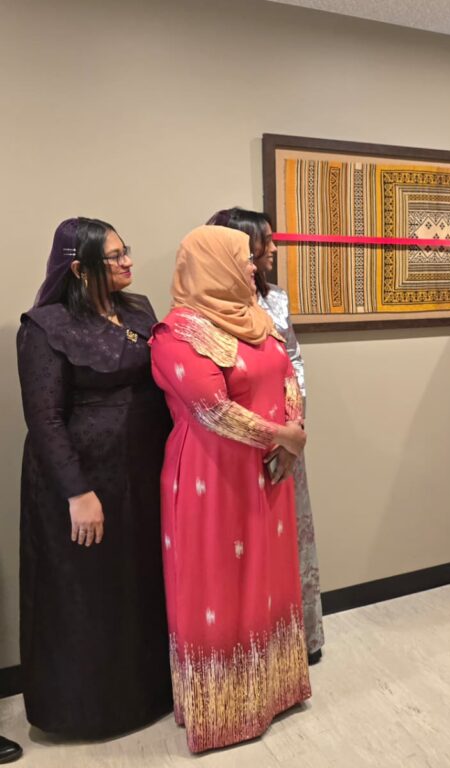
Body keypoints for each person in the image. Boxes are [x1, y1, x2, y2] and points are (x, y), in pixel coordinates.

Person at [150, 225, 311, 752]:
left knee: (269, 576)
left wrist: (292, 434)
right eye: (242, 258)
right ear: (213, 264)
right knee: (220, 584)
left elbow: (287, 375)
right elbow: (212, 410)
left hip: (270, 471)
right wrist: (283, 436)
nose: (251, 265)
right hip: (212, 478)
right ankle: (225, 711)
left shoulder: (255, 317)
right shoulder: (176, 333)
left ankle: (274, 690)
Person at [16, 218, 172, 737]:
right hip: (84, 480)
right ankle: (89, 712)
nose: (128, 261)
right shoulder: (45, 327)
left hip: (143, 474)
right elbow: (44, 419)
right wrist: (77, 492)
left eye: (127, 250)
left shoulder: (138, 309)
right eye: (115, 255)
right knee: (90, 592)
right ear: (80, 269)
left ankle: (150, 694)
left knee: (139, 581)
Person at [207, 207, 324, 664]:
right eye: (264, 241)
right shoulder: (207, 310)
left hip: (287, 437)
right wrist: (261, 432)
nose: (273, 248)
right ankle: (250, 648)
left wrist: (294, 428)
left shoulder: (275, 300)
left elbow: (294, 362)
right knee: (244, 543)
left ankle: (297, 638)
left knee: (289, 532)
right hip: (235, 443)